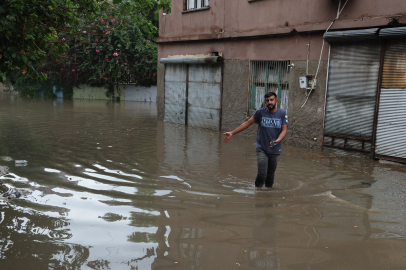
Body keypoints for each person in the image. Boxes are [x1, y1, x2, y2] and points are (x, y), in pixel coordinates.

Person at [223, 92, 288, 188]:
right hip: (261, 148)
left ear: (276, 101)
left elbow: (284, 130)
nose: (269, 102)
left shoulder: (282, 113)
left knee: (270, 176)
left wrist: (278, 140)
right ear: (265, 102)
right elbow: (247, 123)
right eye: (267, 100)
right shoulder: (260, 113)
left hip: (275, 148)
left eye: (271, 100)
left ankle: (267, 196)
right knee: (262, 174)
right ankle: (258, 193)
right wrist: (232, 132)